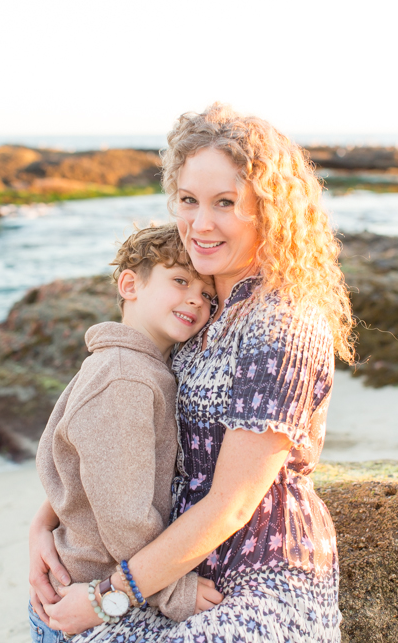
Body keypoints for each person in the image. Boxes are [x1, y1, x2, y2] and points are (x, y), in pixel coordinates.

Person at [30, 103, 354, 642]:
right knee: (52, 620)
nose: (200, 225)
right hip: (166, 568)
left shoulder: (283, 324)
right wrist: (44, 526)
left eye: (225, 203)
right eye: (188, 200)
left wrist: (109, 595)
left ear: (269, 210)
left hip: (261, 578)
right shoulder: (194, 313)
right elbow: (112, 431)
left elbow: (231, 505)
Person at [28, 223, 221, 642]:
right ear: (130, 284)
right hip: (88, 595)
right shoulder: (124, 377)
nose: (195, 298)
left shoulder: (134, 366)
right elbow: (123, 512)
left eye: (208, 294)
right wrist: (172, 589)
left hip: (90, 582)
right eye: (180, 280)